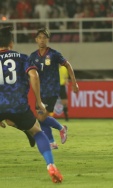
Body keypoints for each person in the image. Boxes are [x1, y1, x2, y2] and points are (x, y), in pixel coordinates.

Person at [0, 26, 63, 183]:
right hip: (18, 105)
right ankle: (51, 166)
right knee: (38, 132)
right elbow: (34, 76)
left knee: (7, 120)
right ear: (11, 44)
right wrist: (39, 101)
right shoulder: (22, 58)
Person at [28, 27, 79, 149]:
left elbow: (67, 65)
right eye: (39, 37)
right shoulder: (32, 56)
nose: (42, 40)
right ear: (36, 39)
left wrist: (74, 82)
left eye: (44, 38)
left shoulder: (54, 54)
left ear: (47, 40)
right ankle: (51, 142)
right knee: (41, 119)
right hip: (39, 91)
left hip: (52, 90)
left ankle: (61, 128)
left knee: (41, 116)